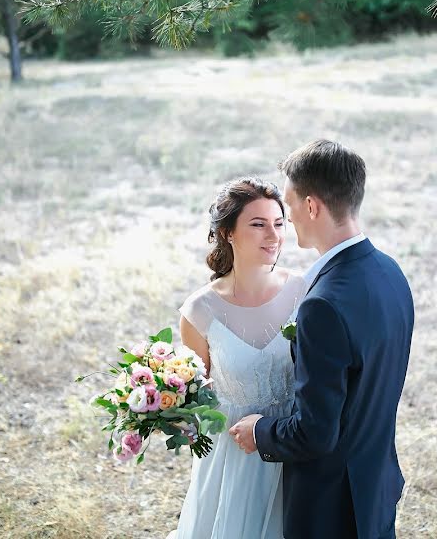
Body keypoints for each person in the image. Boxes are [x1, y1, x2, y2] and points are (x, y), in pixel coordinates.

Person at [230, 140, 415, 539]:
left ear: (312, 206)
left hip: (332, 508)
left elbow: (315, 432)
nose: (287, 216)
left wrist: (260, 431)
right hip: (375, 485)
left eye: (290, 203)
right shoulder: (390, 273)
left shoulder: (322, 306)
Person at [169, 177, 307, 539]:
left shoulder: (305, 292)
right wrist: (178, 419)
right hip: (234, 456)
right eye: (258, 224)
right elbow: (196, 397)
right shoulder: (200, 311)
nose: (273, 236)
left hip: (295, 443)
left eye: (279, 224)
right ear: (228, 232)